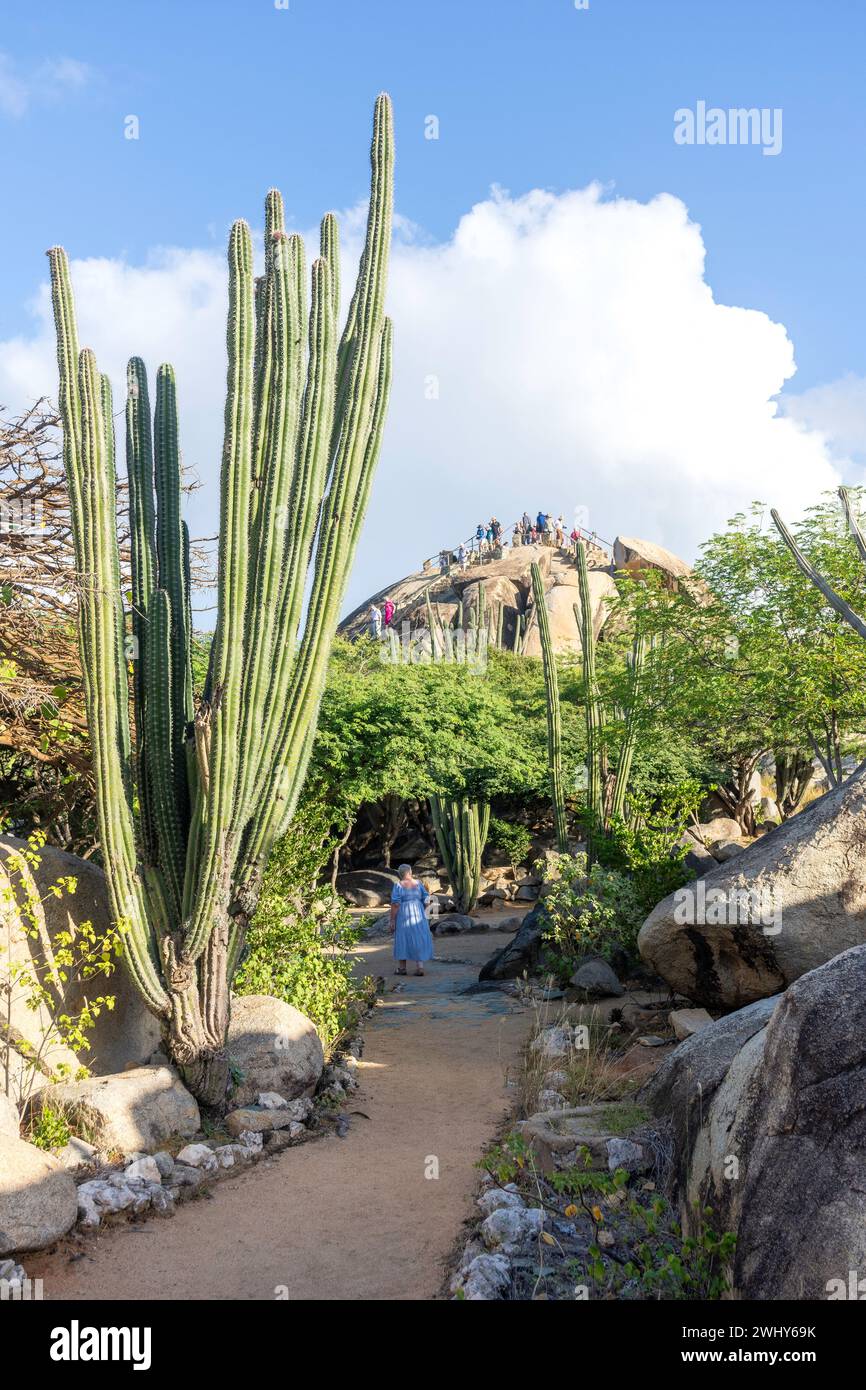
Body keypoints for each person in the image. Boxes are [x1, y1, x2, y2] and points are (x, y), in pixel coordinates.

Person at [390, 863, 433, 976]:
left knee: (402, 938)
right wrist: (424, 911)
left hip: (403, 914)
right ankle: (420, 967)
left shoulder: (398, 885)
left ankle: (402, 968)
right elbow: (427, 899)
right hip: (418, 913)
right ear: (410, 872)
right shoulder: (419, 884)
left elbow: (395, 904)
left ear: (400, 874)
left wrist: (392, 920)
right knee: (418, 937)